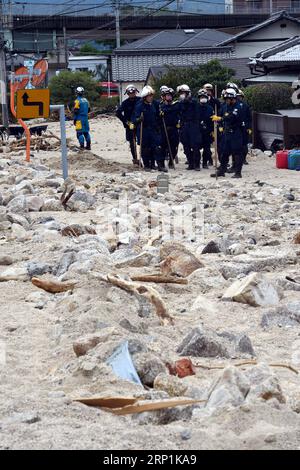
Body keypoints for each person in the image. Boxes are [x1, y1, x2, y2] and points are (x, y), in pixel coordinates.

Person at [210, 88, 244, 179]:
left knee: (237, 153)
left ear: (233, 98)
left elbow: (232, 117)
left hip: (236, 132)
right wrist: (217, 118)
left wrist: (220, 118)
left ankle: (238, 172)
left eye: (228, 99)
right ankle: (222, 170)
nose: (227, 101)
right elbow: (222, 114)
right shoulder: (225, 106)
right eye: (226, 99)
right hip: (226, 132)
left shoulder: (238, 107)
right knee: (224, 152)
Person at [132, 85, 167, 172]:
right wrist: (138, 119)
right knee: (145, 148)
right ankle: (147, 165)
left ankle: (159, 165)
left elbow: (157, 116)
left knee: (157, 147)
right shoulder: (139, 106)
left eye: (152, 96)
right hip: (144, 130)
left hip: (153, 129)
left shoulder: (154, 104)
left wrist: (160, 115)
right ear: (145, 97)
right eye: (149, 96)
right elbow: (134, 119)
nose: (151, 98)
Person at [177, 84, 202, 171]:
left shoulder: (194, 102)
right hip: (184, 126)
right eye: (181, 93)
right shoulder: (179, 103)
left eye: (183, 93)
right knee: (186, 146)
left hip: (193, 125)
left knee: (195, 146)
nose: (182, 94)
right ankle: (190, 163)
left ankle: (197, 164)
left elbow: (197, 114)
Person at [116, 84, 141, 165]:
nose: (132, 94)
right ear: (127, 94)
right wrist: (126, 122)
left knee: (143, 142)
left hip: (140, 124)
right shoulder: (125, 103)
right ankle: (135, 158)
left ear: (136, 92)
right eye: (130, 93)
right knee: (132, 143)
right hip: (129, 125)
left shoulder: (140, 100)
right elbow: (118, 113)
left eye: (133, 93)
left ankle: (145, 159)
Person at [159, 87, 180, 168]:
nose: (169, 97)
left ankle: (171, 161)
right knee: (163, 146)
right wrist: (160, 115)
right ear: (164, 97)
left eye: (170, 96)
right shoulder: (161, 106)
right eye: (167, 96)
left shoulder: (176, 105)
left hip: (174, 129)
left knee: (174, 146)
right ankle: (161, 163)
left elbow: (180, 115)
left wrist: (179, 122)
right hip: (164, 129)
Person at [198, 88, 214, 169]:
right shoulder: (196, 108)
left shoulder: (210, 108)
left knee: (207, 148)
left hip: (207, 131)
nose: (203, 98)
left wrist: (212, 130)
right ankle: (196, 163)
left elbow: (212, 120)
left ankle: (205, 163)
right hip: (198, 131)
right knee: (196, 148)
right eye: (201, 97)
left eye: (204, 97)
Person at [237, 89, 252, 166]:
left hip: (244, 127)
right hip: (236, 128)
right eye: (237, 97)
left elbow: (249, 117)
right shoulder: (233, 106)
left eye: (240, 97)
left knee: (244, 144)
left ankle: (244, 159)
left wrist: (249, 127)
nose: (239, 98)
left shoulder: (245, 105)